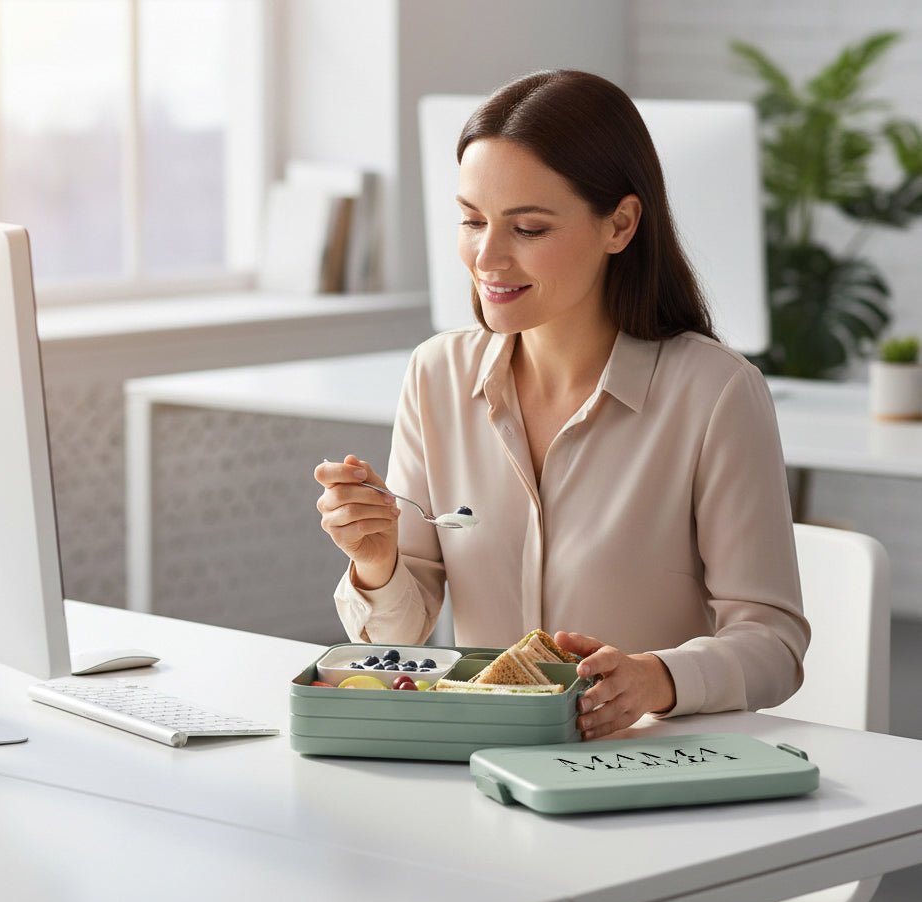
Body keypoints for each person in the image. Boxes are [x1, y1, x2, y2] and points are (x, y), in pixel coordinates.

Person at [315, 68, 809, 740]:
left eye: (528, 228)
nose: (486, 256)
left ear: (621, 224)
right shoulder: (435, 375)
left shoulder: (715, 393)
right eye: (470, 220)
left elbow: (773, 643)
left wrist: (655, 678)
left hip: (646, 770)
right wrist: (376, 560)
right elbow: (401, 633)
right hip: (482, 762)